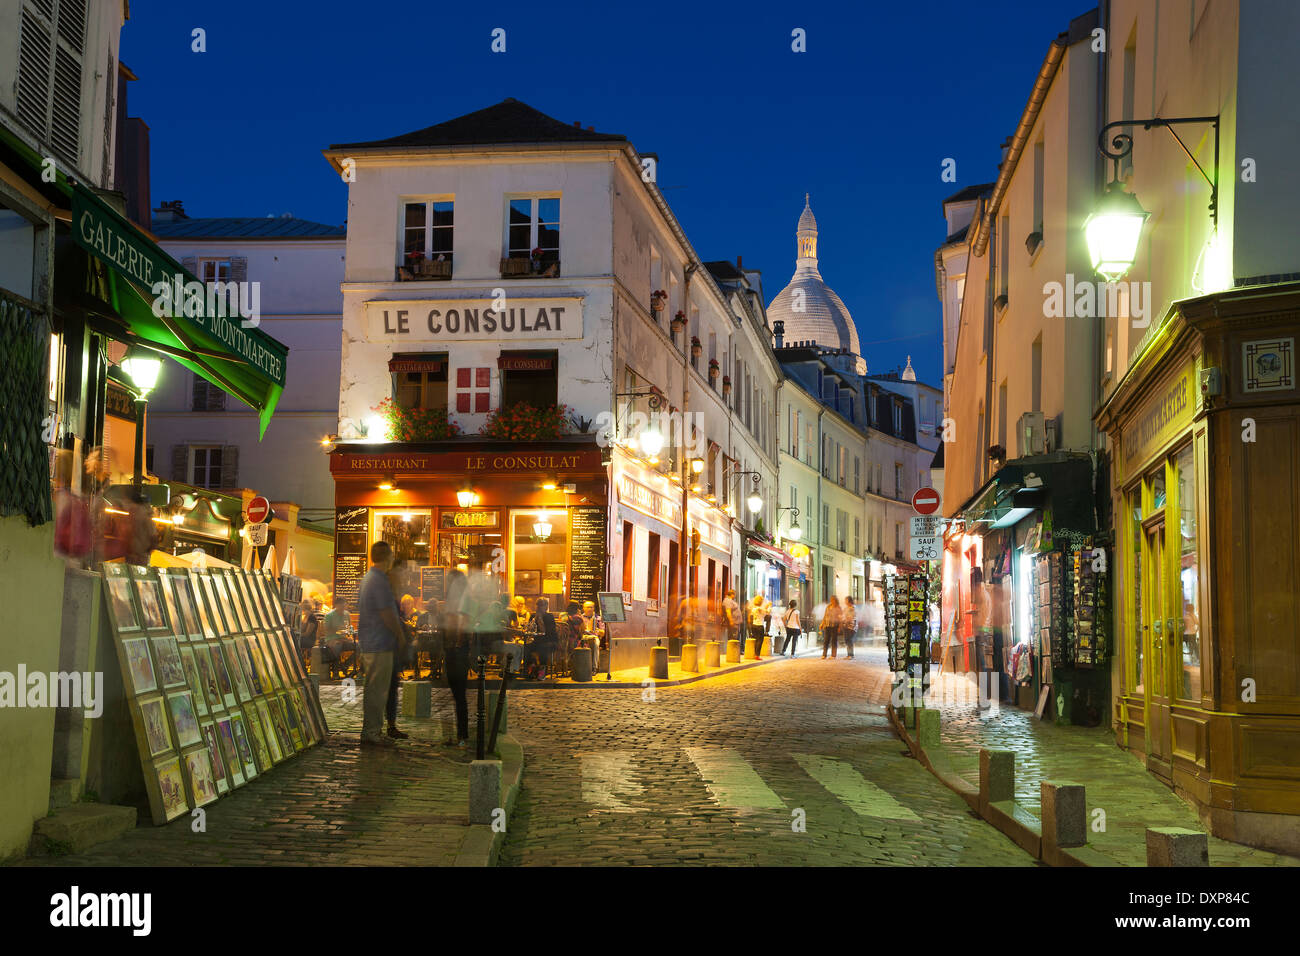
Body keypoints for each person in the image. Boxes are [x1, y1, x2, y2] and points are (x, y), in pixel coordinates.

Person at [357, 541, 402, 746]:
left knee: (374, 688)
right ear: (388, 557)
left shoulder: (368, 578)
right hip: (379, 642)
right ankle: (372, 732)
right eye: (392, 556)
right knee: (377, 690)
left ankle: (373, 729)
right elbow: (386, 613)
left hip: (370, 641)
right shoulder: (379, 580)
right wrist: (400, 635)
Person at [442, 570, 470, 747]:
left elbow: (461, 625)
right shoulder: (457, 602)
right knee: (456, 695)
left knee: (459, 695)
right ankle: (459, 734)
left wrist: (456, 643)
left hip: (457, 651)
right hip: (453, 650)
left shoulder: (462, 603)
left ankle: (462, 735)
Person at [322, 597, 356, 678]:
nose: (343, 608)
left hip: (344, 639)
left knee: (359, 646)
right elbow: (326, 630)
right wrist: (338, 631)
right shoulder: (329, 615)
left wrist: (349, 635)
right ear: (336, 605)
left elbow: (349, 627)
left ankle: (345, 665)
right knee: (337, 646)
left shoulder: (347, 614)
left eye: (344, 606)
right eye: (341, 606)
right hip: (331, 639)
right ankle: (335, 672)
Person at [747, 592, 771, 657]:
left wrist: (767, 606)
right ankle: (757, 655)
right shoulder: (760, 609)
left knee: (756, 640)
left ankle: (755, 654)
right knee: (760, 641)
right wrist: (769, 606)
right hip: (760, 626)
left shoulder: (754, 609)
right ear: (761, 602)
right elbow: (768, 612)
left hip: (754, 625)